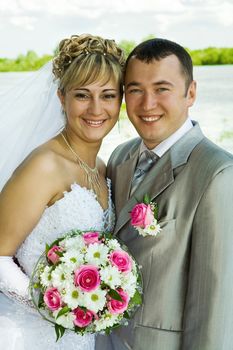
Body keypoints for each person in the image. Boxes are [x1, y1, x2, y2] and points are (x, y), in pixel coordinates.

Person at [96, 38, 233, 350]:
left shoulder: (218, 174)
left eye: (162, 88)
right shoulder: (120, 157)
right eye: (135, 90)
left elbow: (216, 308)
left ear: (191, 93)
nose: (147, 104)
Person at [0, 33, 125, 350]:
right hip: (33, 336)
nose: (96, 108)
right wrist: (54, 307)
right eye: (82, 95)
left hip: (82, 339)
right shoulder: (44, 166)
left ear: (120, 100)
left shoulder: (102, 167)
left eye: (108, 95)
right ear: (61, 97)